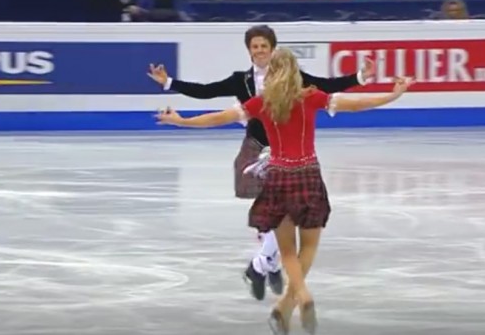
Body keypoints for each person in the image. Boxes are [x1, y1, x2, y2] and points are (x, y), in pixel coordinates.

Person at [155, 47, 413, 335]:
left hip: (278, 179)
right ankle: (290, 301)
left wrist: (180, 120)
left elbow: (218, 117)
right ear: (294, 71)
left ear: (272, 73)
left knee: (287, 250)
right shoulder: (311, 97)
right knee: (310, 247)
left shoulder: (261, 103)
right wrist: (394, 94)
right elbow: (355, 105)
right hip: (308, 176)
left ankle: (296, 300)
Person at [147, 25, 376, 301]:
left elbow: (327, 85)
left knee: (282, 214)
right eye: (254, 47)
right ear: (249, 51)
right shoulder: (240, 80)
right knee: (276, 215)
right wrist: (169, 82)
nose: (259, 51)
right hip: (256, 149)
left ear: (272, 49)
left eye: (263, 46)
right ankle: (268, 264)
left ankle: (262, 265)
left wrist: (361, 76)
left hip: (289, 153)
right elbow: (207, 91)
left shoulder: (295, 78)